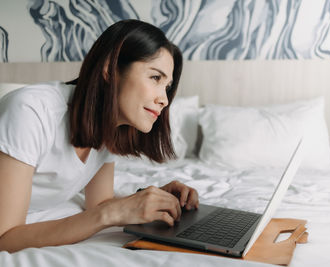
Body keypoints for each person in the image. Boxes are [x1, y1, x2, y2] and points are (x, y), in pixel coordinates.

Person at [0, 19, 199, 253]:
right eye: (156, 78)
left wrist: (152, 201)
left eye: (167, 87)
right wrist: (107, 214)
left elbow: (99, 202)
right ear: (109, 69)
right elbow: (5, 238)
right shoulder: (30, 111)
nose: (164, 100)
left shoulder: (108, 125)